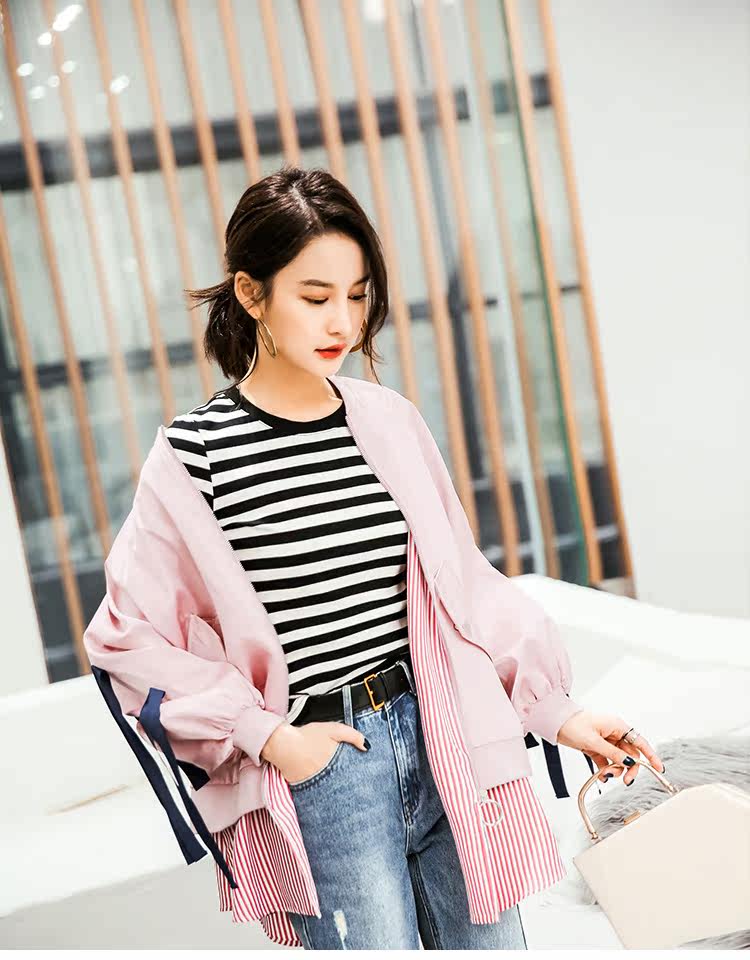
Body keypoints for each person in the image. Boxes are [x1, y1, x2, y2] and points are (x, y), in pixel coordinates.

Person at [88, 165, 665, 950]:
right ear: (251, 294)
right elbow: (126, 639)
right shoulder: (196, 457)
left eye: (357, 296)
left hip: (446, 740)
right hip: (327, 773)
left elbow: (465, 591)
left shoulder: (389, 422)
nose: (343, 321)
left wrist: (561, 713)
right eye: (314, 297)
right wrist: (271, 739)